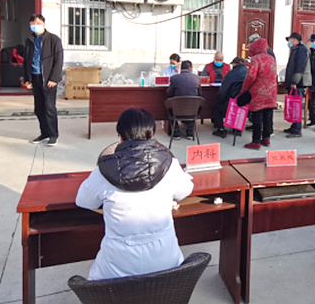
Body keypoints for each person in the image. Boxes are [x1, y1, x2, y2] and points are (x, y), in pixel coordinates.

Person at [76, 108, 193, 280]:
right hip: (167, 268)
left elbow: (83, 201)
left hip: (115, 275)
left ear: (120, 137)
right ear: (152, 135)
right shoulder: (169, 164)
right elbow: (185, 190)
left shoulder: (105, 170)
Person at [25, 14, 64, 147]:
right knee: (39, 108)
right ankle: (44, 133)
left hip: (48, 79)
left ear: (44, 24)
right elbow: (26, 60)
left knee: (49, 108)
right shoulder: (29, 40)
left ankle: (53, 135)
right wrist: (27, 78)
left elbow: (59, 60)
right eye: (33, 23)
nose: (35, 25)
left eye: (38, 23)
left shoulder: (53, 39)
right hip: (35, 77)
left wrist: (54, 78)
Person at [240, 38, 278, 149]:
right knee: (268, 115)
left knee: (257, 116)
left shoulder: (256, 59)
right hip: (271, 91)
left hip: (259, 92)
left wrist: (244, 89)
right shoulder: (271, 58)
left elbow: (251, 76)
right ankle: (266, 138)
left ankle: (256, 141)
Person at [283, 32, 311, 138]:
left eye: (290, 40)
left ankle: (297, 130)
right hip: (295, 83)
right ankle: (294, 126)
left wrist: (294, 82)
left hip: (298, 83)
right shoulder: (295, 49)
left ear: (295, 40)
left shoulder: (301, 50)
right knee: (293, 105)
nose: (289, 43)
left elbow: (299, 68)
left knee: (296, 106)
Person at [211, 57, 247, 138]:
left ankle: (220, 129)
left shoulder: (231, 74)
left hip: (231, 101)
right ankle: (237, 130)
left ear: (234, 64)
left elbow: (223, 91)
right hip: (245, 102)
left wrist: (220, 99)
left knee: (216, 107)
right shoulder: (248, 72)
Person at [166, 60, 201, 140]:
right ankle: (190, 133)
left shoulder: (174, 78)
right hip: (192, 110)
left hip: (177, 110)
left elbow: (169, 93)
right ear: (191, 69)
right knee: (193, 105)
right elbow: (200, 93)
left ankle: (176, 133)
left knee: (168, 109)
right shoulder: (197, 78)